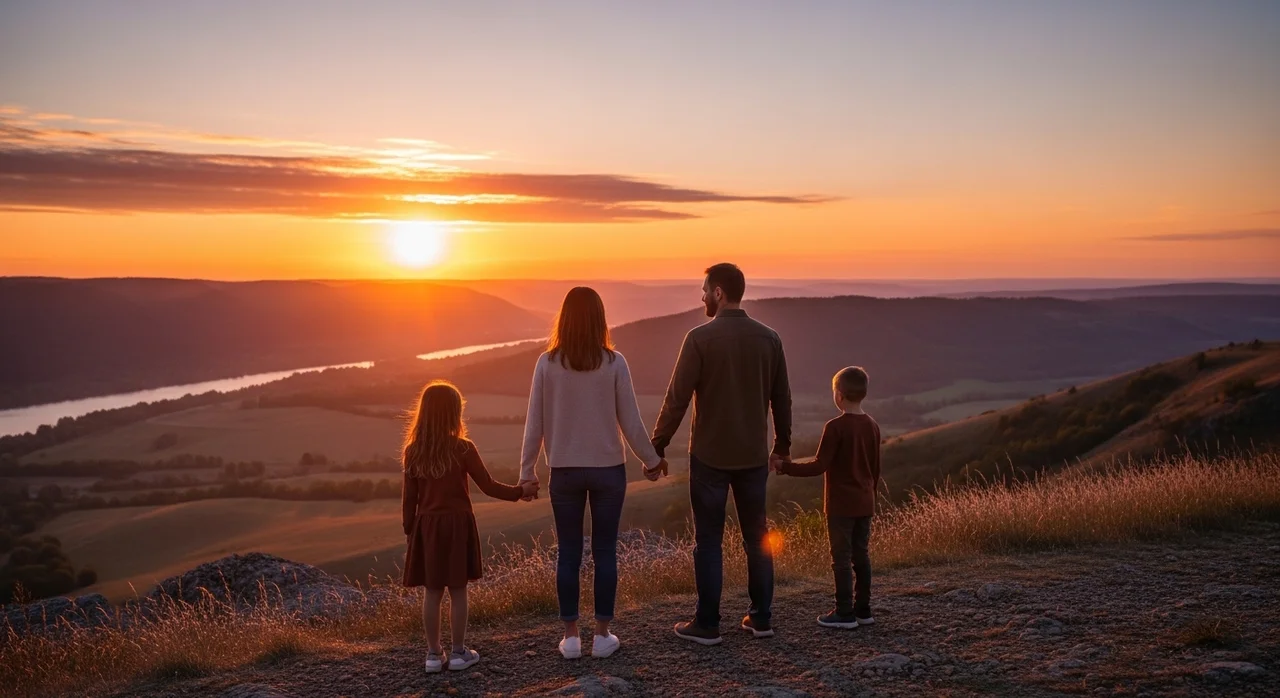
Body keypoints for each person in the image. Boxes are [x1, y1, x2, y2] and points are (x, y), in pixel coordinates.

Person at [519, 287, 669, 660]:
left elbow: (534, 423)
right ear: (600, 320)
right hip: (608, 472)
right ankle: (602, 635)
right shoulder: (614, 363)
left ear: (564, 320)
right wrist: (651, 460)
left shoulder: (546, 364)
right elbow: (631, 421)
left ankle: (571, 637)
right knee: (605, 552)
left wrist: (526, 471)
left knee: (568, 553)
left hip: (564, 472)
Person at [651, 263, 791, 646]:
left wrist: (657, 445)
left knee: (709, 542)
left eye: (704, 290)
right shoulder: (770, 339)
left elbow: (677, 399)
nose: (701, 297)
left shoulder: (699, 339)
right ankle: (761, 618)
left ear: (718, 293)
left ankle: (708, 623)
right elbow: (781, 398)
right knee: (757, 538)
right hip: (753, 457)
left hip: (709, 457)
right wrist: (781, 446)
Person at [401, 380, 538, 673]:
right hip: (457, 527)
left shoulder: (413, 451)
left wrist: (410, 532)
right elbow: (487, 485)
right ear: (454, 414)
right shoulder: (463, 448)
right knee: (458, 589)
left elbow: (409, 499)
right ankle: (459, 653)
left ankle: (433, 655)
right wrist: (520, 491)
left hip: (427, 529)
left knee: (432, 592)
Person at [776, 366, 881, 628]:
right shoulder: (872, 425)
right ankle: (863, 610)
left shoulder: (835, 427)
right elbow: (875, 469)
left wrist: (785, 467)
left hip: (841, 505)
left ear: (839, 395)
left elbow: (819, 465)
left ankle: (844, 612)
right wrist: (871, 496)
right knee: (861, 555)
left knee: (841, 558)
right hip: (865, 501)